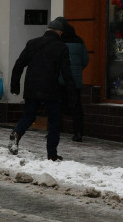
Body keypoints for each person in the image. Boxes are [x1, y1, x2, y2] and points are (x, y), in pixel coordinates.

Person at [8, 17, 75, 161]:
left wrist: (15, 85)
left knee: (29, 115)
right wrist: (71, 93)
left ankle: (17, 133)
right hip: (51, 88)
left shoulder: (32, 43)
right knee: (54, 120)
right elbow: (67, 73)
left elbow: (19, 65)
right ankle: (52, 154)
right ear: (59, 32)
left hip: (32, 86)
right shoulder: (61, 47)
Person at [61, 20, 90, 142]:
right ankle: (78, 132)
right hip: (76, 80)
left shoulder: (60, 42)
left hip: (61, 79)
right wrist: (77, 70)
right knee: (77, 106)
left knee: (57, 105)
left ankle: (54, 130)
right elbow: (85, 60)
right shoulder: (79, 41)